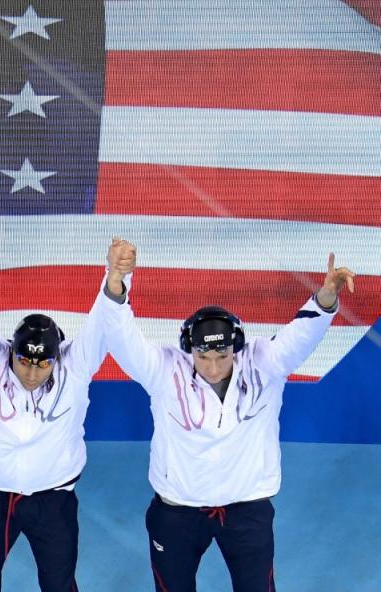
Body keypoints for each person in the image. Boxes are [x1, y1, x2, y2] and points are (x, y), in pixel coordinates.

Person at [99, 245, 356, 592]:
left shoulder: (265, 363)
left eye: (223, 355)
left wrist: (326, 298)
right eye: (204, 356)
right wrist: (116, 278)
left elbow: (302, 334)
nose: (214, 367)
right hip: (177, 513)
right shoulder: (163, 370)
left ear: (236, 348)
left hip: (246, 511)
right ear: (189, 349)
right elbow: (121, 338)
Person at [0, 236, 135, 592]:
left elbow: (103, 322)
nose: (32, 373)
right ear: (11, 352)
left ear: (57, 357)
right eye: (24, 361)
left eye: (43, 364)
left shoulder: (76, 366)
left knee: (59, 585)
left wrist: (117, 277)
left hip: (53, 500)